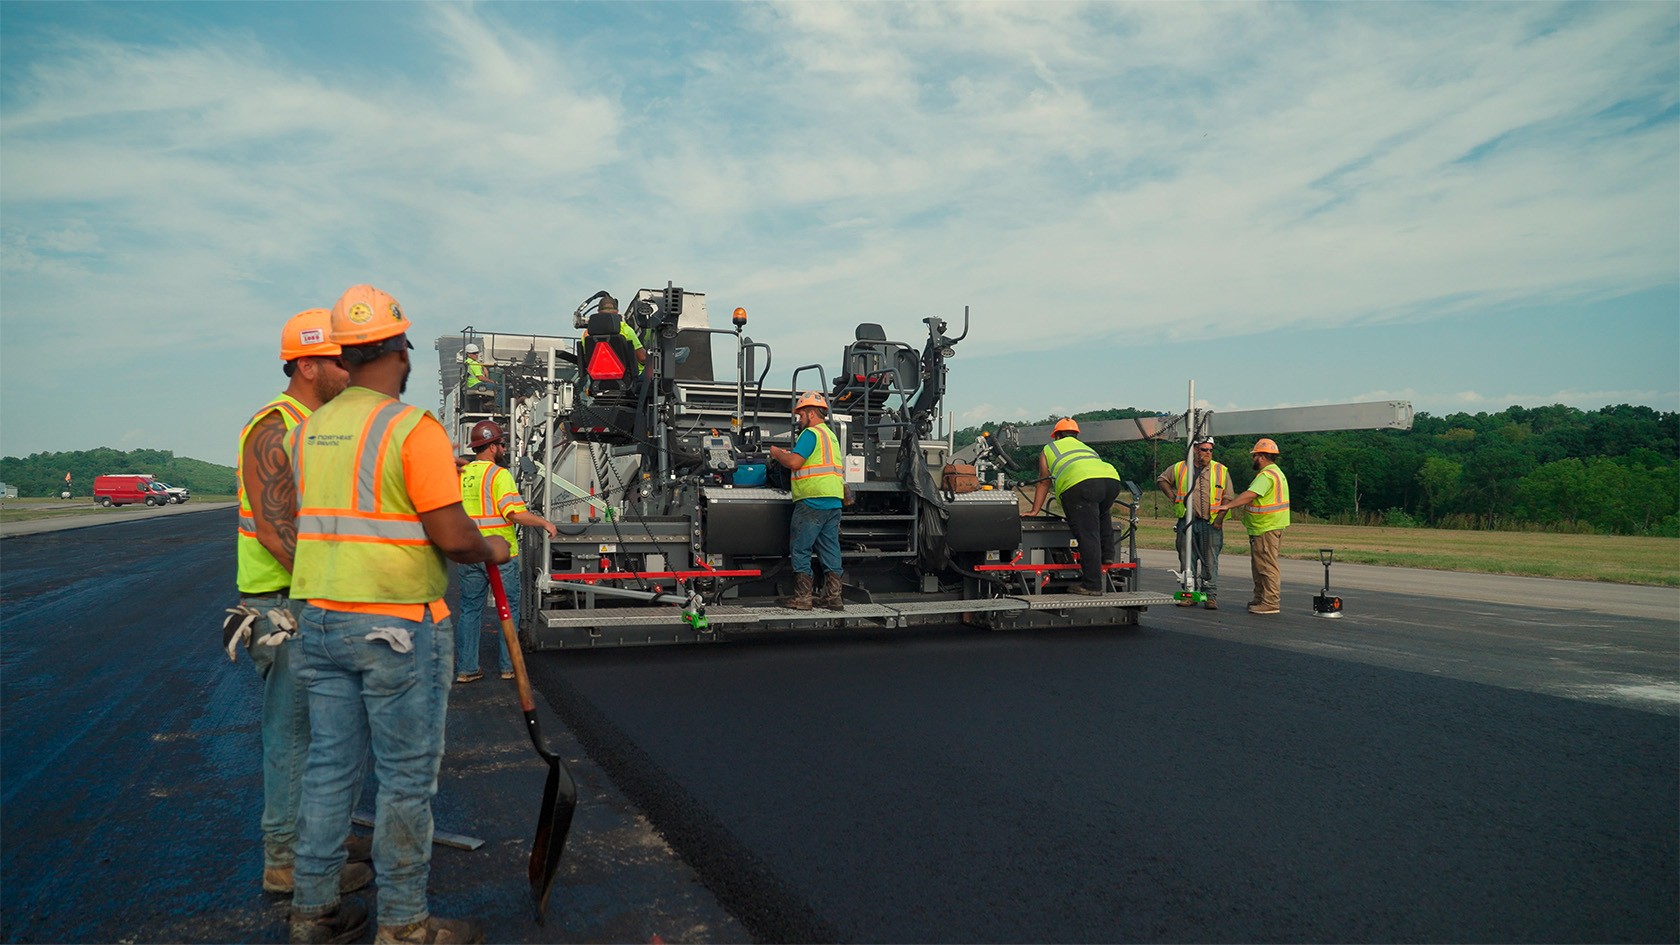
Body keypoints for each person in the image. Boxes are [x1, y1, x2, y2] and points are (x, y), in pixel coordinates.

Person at [284, 285, 509, 945]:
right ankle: (405, 927)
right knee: (405, 777)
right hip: (396, 627)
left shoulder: (309, 431)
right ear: (397, 350)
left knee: (330, 767)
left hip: (320, 616)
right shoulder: (412, 429)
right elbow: (451, 533)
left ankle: (313, 912)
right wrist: (491, 543)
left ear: (347, 354)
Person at [230, 307, 371, 898]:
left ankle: (324, 837)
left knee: (331, 730)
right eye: (340, 359)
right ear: (308, 364)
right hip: (285, 604)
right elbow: (273, 527)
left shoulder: (321, 427)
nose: (350, 368)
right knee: (294, 732)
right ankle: (286, 859)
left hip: (308, 595)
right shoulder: (273, 426)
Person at [454, 419, 558, 683]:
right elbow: (513, 513)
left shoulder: (463, 475)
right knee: (507, 610)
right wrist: (543, 522)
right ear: (491, 447)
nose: (503, 447)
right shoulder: (499, 475)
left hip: (469, 554)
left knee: (469, 610)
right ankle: (508, 666)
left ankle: (467, 669)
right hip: (500, 555)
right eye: (501, 443)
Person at [767, 391, 844, 610]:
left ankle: (802, 598)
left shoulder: (811, 434)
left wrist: (776, 453)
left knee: (801, 548)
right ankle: (833, 597)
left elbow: (794, 462)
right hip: (832, 501)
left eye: (801, 415)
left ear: (811, 413)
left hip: (812, 501)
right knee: (830, 548)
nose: (799, 420)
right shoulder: (830, 435)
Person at [1027, 418, 1122, 595]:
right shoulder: (1087, 448)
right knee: (1102, 513)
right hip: (1112, 481)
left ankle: (1092, 585)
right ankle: (1108, 553)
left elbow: (1044, 482)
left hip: (1081, 485)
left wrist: (1035, 510)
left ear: (1056, 435)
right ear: (1076, 434)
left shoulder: (1049, 448)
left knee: (1088, 534)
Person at [1214, 438, 1291, 616]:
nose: (1253, 459)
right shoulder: (1276, 473)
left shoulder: (1266, 476)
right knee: (1259, 566)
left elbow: (1250, 495)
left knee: (1266, 566)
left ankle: (1270, 602)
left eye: (1254, 456)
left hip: (1266, 527)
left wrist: (1228, 505)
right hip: (1265, 527)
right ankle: (1260, 598)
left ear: (1262, 457)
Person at [1155, 435, 1233, 609]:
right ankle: (1189, 593)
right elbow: (1162, 480)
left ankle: (1210, 595)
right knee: (1186, 559)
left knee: (1210, 561)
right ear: (1195, 449)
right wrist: (1172, 496)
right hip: (1187, 522)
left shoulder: (1221, 470)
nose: (1208, 453)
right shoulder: (1180, 467)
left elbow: (1228, 497)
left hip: (1211, 524)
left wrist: (1219, 519)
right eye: (1204, 450)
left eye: (1210, 450)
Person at [587, 295, 647, 372]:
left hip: (596, 380)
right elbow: (642, 358)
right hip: (627, 379)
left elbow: (586, 359)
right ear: (617, 311)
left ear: (598, 311)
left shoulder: (587, 333)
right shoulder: (626, 330)